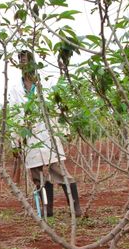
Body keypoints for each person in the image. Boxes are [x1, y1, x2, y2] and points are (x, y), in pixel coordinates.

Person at [8, 50, 82, 218]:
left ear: (34, 62)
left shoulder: (46, 83)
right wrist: (15, 142)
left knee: (59, 171)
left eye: (27, 60)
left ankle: (75, 207)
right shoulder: (14, 89)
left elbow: (57, 107)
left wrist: (65, 131)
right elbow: (13, 115)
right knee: (37, 176)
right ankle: (47, 210)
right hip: (28, 136)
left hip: (48, 132)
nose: (24, 64)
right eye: (21, 61)